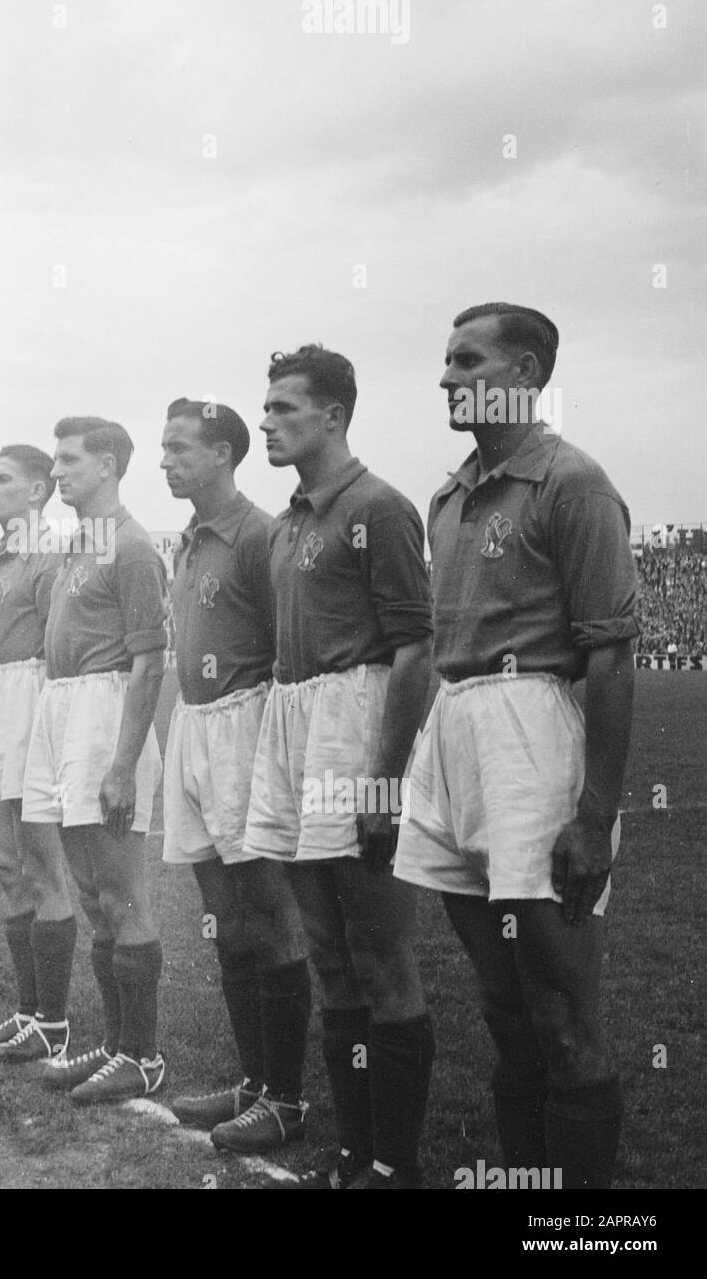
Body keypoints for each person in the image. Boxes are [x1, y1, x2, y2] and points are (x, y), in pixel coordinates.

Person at [394, 303, 636, 1190]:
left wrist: (594, 813)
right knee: (505, 1012)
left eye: (468, 361)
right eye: (446, 361)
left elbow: (610, 657)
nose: (449, 378)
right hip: (454, 731)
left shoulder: (571, 482)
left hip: (530, 738)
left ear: (527, 373)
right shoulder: (448, 496)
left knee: (564, 1017)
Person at [245, 345, 435, 1189]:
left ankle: (396, 1161)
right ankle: (355, 1150)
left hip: (353, 726)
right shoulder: (289, 520)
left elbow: (415, 650)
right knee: (328, 956)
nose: (267, 422)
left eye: (285, 408)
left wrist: (384, 779)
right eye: (267, 407)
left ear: (333, 415)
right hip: (293, 723)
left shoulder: (381, 508)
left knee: (381, 956)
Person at [158, 399, 314, 1151]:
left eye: (181, 448)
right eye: (163, 447)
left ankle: (285, 1098)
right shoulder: (187, 541)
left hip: (246, 728)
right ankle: (252, 1083)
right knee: (225, 922)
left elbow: (287, 650)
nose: (166, 460)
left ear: (222, 454)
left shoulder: (260, 535)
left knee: (271, 916)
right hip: (194, 728)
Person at [22, 417, 168, 1104]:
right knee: (91, 899)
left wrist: (121, 765)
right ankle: (115, 1047)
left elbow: (148, 664)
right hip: (65, 710)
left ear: (108, 465)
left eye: (69, 460)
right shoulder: (80, 544)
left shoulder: (134, 546)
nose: (56, 474)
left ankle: (143, 1055)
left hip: (106, 716)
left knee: (122, 893)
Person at [0, 446, 76, 1062]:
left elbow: (59, 645)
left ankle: (54, 1022)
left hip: (29, 699)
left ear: (37, 491)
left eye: (3, 480)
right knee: (6, 865)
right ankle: (29, 1010)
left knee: (41, 866)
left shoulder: (50, 553)